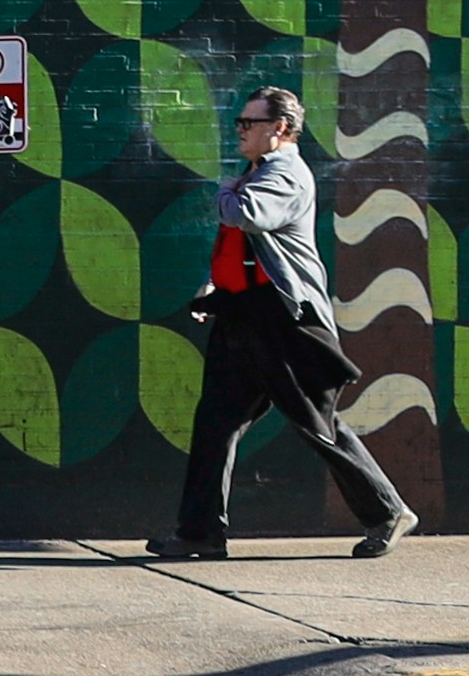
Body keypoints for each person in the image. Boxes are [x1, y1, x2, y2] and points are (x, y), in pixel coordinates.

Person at [160, 84, 416, 560]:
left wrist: (224, 189)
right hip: (244, 313)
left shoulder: (286, 174)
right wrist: (212, 288)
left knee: (318, 424)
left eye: (248, 123)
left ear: (279, 128)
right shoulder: (257, 170)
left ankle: (388, 511)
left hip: (284, 320)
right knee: (216, 422)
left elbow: (246, 216)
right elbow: (244, 250)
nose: (239, 131)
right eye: (239, 122)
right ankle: (199, 533)